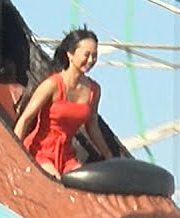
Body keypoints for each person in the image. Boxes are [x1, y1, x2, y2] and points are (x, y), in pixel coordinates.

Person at [14, 27, 117, 176]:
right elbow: (25, 119)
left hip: (66, 155)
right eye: (86, 55)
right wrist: (16, 152)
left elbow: (92, 126)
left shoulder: (94, 90)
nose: (90, 60)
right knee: (54, 180)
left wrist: (108, 155)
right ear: (70, 54)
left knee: (81, 185)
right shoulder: (53, 84)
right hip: (40, 150)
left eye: (94, 56)